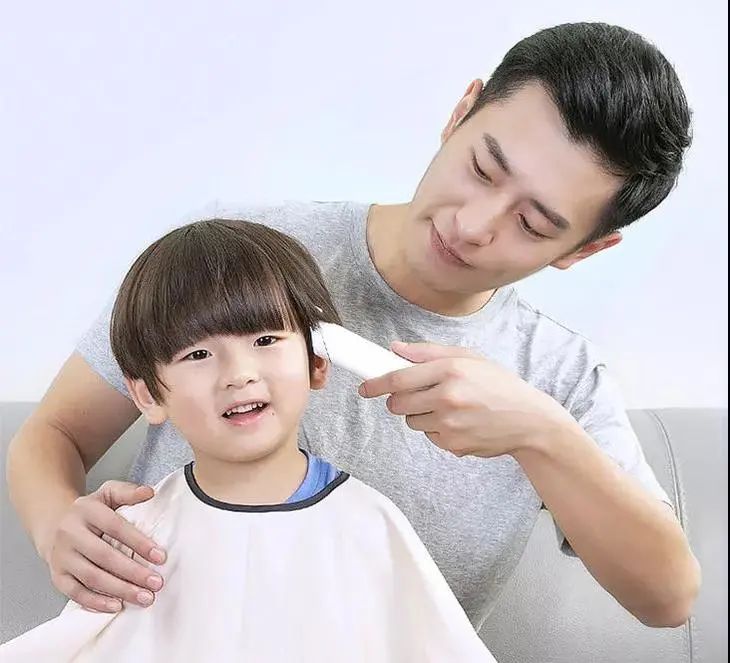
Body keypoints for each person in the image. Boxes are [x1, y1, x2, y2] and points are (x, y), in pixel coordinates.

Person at [7, 22, 700, 632]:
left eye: (533, 224)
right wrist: (56, 521)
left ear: (583, 250)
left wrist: (540, 434)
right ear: (461, 112)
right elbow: (55, 432)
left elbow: (668, 599)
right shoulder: (235, 253)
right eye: (483, 168)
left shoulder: (559, 377)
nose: (472, 225)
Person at [0, 219, 495, 662]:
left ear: (317, 362)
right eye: (197, 354)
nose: (239, 374)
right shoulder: (139, 533)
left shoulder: (369, 524)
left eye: (265, 340)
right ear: (148, 393)